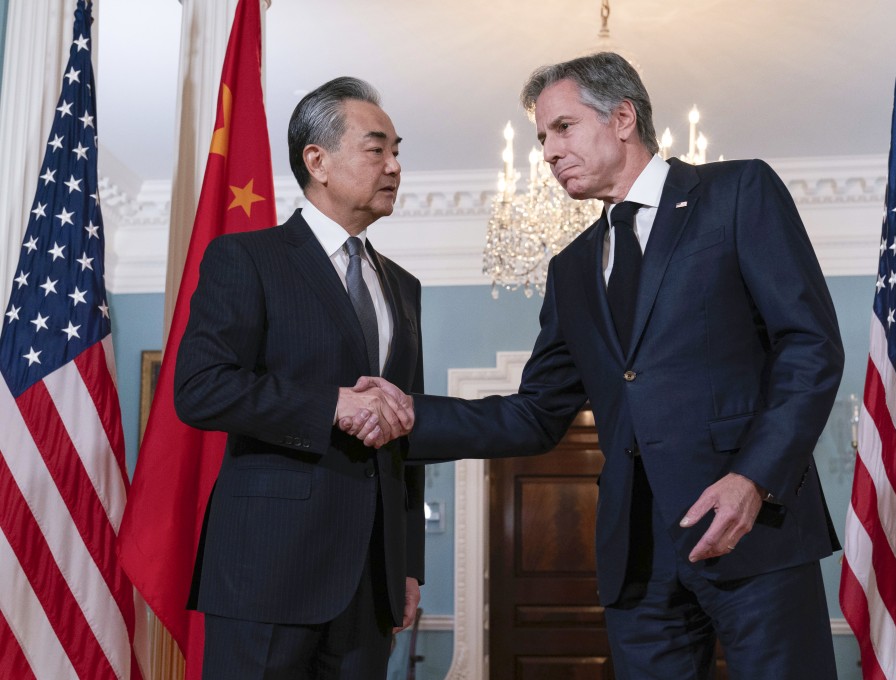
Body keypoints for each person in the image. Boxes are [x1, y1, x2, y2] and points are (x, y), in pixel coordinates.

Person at [348, 52, 844, 679]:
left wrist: (755, 478)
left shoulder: (737, 192)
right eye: (540, 139)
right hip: (637, 558)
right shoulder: (572, 268)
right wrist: (408, 417)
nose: (548, 153)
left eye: (562, 128)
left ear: (623, 118)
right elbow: (535, 414)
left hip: (751, 528)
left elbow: (810, 346)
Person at [174, 76, 421, 679]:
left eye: (397, 152)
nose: (394, 166)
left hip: (370, 582)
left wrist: (407, 564)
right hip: (267, 572)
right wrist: (327, 405)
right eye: (376, 148)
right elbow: (200, 388)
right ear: (318, 160)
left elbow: (403, 435)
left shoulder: (403, 287)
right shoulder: (246, 259)